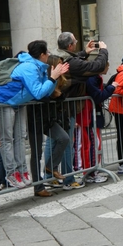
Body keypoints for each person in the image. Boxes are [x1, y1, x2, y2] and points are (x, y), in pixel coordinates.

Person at [0, 41, 69, 189]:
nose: (49, 55)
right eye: (48, 53)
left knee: (20, 137)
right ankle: (12, 173)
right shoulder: (29, 67)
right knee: (7, 138)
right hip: (3, 100)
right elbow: (38, 93)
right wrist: (52, 77)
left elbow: (47, 91)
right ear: (42, 55)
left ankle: (22, 171)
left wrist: (54, 77)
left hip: (18, 103)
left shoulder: (38, 67)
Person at [46, 31, 108, 190]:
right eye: (75, 41)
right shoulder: (70, 62)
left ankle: (48, 178)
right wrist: (103, 50)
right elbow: (97, 66)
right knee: (67, 141)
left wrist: (84, 53)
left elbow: (74, 60)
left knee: (52, 141)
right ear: (70, 45)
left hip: (54, 105)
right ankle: (68, 179)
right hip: (65, 107)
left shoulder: (56, 55)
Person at [27, 55, 70, 197]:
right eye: (58, 65)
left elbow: (61, 96)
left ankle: (51, 167)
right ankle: (38, 187)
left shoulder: (56, 80)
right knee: (36, 154)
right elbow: (40, 95)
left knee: (64, 138)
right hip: (35, 118)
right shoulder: (43, 77)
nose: (61, 67)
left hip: (48, 119)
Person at [76, 62, 116, 183]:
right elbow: (98, 96)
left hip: (90, 115)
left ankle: (92, 170)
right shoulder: (92, 78)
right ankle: (90, 172)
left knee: (93, 144)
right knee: (91, 144)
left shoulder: (94, 78)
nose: (108, 67)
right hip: (88, 116)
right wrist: (111, 87)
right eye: (107, 65)